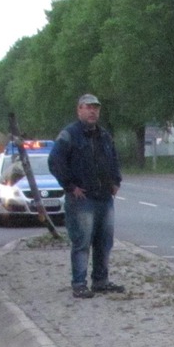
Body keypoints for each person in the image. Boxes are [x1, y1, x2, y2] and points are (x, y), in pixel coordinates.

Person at [48, 93, 123, 299]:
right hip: (82, 200)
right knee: (82, 242)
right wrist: (70, 186)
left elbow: (114, 159)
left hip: (104, 198)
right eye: (88, 107)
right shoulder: (69, 135)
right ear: (79, 109)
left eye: (96, 107)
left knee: (104, 242)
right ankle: (79, 283)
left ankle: (101, 281)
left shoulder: (104, 135)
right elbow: (55, 162)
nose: (92, 111)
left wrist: (116, 181)